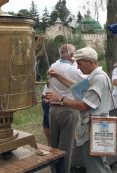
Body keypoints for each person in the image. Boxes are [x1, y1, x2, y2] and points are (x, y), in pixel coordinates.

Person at [46, 46, 112, 173]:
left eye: (80, 64)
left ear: (91, 62)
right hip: (98, 127)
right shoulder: (95, 76)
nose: (77, 68)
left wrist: (60, 98)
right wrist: (59, 76)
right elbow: (77, 87)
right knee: (100, 163)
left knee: (95, 166)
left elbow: (84, 105)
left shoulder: (98, 78)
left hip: (95, 128)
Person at [48, 44, 86, 173]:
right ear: (71, 56)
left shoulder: (53, 66)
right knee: (67, 146)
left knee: (54, 144)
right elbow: (87, 86)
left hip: (53, 109)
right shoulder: (74, 70)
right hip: (68, 108)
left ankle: (54, 170)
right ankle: (64, 171)